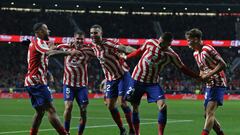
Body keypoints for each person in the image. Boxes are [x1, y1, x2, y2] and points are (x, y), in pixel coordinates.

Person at [121, 32, 200, 135]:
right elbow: (139, 51)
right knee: (135, 106)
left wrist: (197, 77)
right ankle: (137, 133)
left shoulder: (172, 55)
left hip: (152, 83)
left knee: (163, 106)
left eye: (162, 43)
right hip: (136, 80)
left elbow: (183, 68)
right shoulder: (150, 43)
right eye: (159, 41)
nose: (159, 44)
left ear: (168, 44)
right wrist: (127, 57)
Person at [25, 22, 79, 135]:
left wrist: (69, 44)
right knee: (51, 110)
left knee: (40, 112)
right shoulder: (38, 42)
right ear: (39, 32)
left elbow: (50, 49)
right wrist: (70, 52)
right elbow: (50, 53)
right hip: (37, 81)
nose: (48, 31)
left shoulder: (38, 43)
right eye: (45, 29)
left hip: (32, 81)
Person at [90, 24, 136, 135]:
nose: (93, 35)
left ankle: (132, 129)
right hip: (111, 79)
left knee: (123, 103)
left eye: (95, 33)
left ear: (101, 33)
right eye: (91, 33)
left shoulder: (109, 43)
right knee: (110, 105)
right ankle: (122, 129)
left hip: (122, 75)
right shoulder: (93, 46)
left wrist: (139, 51)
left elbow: (124, 48)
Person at [185, 28, 227, 135]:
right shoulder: (195, 54)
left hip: (218, 82)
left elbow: (223, 64)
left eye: (189, 40)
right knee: (207, 115)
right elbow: (202, 69)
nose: (187, 42)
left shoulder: (207, 49)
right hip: (209, 85)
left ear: (195, 39)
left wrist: (209, 74)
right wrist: (201, 76)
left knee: (210, 113)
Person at [57, 31, 95, 135]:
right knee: (68, 106)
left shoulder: (88, 50)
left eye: (81, 39)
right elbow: (52, 50)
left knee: (83, 111)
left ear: (84, 40)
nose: (79, 41)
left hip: (81, 86)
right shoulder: (65, 47)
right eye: (77, 38)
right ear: (74, 38)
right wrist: (68, 52)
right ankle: (66, 132)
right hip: (68, 84)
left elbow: (100, 54)